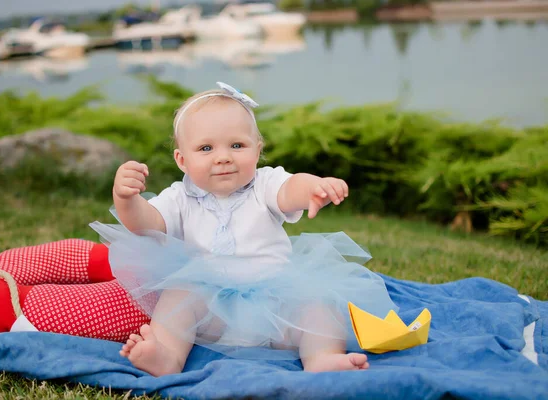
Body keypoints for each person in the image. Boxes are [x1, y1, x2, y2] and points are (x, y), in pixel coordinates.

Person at [89, 82, 397, 376]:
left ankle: (322, 358)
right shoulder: (180, 197)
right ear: (182, 160)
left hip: (277, 307)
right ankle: (166, 355)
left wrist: (313, 188)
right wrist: (126, 199)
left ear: (257, 149)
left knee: (318, 305)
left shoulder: (263, 184)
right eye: (206, 148)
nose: (223, 157)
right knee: (178, 297)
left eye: (237, 145)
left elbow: (290, 188)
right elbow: (147, 224)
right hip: (210, 310)